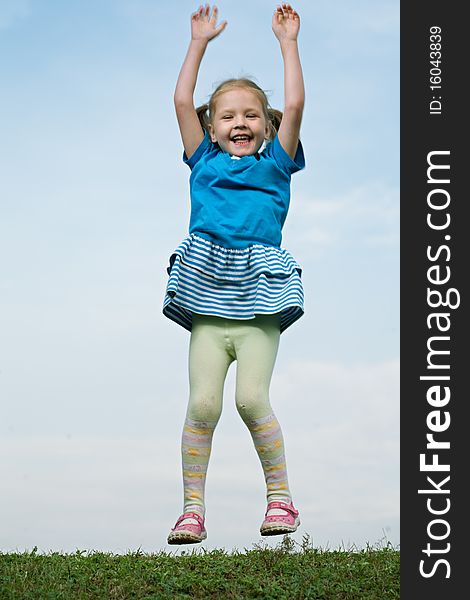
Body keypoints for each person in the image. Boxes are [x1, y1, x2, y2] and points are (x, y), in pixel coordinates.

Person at [163, 3, 305, 544]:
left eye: (250, 114)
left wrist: (286, 43)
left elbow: (294, 102)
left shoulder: (276, 163)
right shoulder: (203, 161)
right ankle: (192, 511)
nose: (239, 122)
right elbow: (180, 100)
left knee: (251, 399)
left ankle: (280, 502)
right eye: (226, 115)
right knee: (202, 404)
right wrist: (199, 42)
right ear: (210, 128)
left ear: (266, 127)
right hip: (206, 298)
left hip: (260, 298)